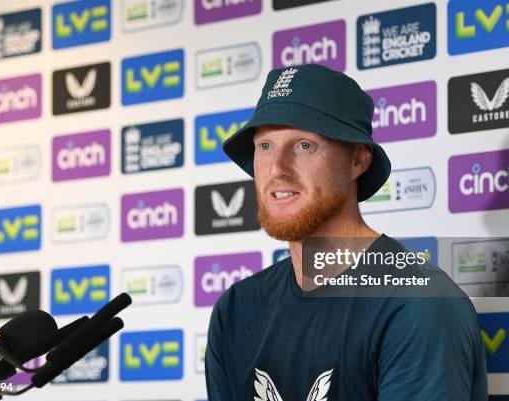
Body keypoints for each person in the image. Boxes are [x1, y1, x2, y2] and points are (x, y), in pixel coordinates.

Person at [205, 64, 488, 401]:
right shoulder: (236, 309)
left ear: (358, 160)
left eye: (305, 145)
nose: (277, 168)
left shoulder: (417, 303)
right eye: (265, 146)